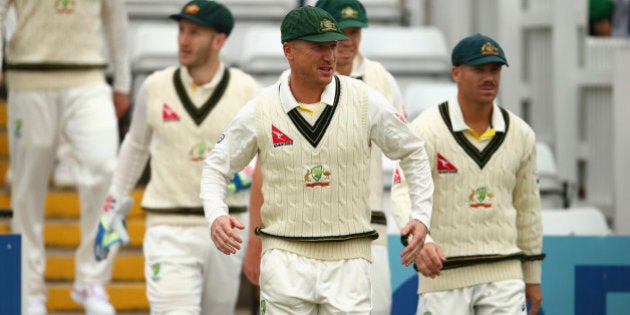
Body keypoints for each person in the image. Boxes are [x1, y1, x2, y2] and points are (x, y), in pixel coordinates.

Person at [201, 5, 434, 314]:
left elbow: (413, 151)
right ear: (289, 51)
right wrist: (216, 214)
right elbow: (216, 167)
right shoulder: (261, 109)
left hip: (349, 262)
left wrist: (420, 215)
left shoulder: (365, 100)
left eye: (332, 46)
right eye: (317, 47)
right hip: (284, 260)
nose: (330, 56)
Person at [92, 0, 259, 313]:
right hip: (168, 226)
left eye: (195, 32)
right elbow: (135, 147)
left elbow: (267, 149)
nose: (183, 39)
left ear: (219, 40)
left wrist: (248, 171)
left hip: (228, 227)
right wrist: (113, 203)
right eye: (181, 30)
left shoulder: (246, 89)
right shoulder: (155, 87)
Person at [390, 33, 545, 315]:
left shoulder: (521, 134)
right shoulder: (426, 128)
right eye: (479, 70)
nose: (489, 78)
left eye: (495, 70)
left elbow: (528, 210)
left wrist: (532, 277)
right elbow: (403, 192)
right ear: (456, 73)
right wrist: (421, 242)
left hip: (504, 273)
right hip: (443, 274)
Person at [0, 0, 131, 314]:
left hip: (88, 78)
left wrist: (123, 80)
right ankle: (29, 292)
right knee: (26, 191)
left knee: (105, 169)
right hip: (28, 78)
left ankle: (92, 281)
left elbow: (115, 17)